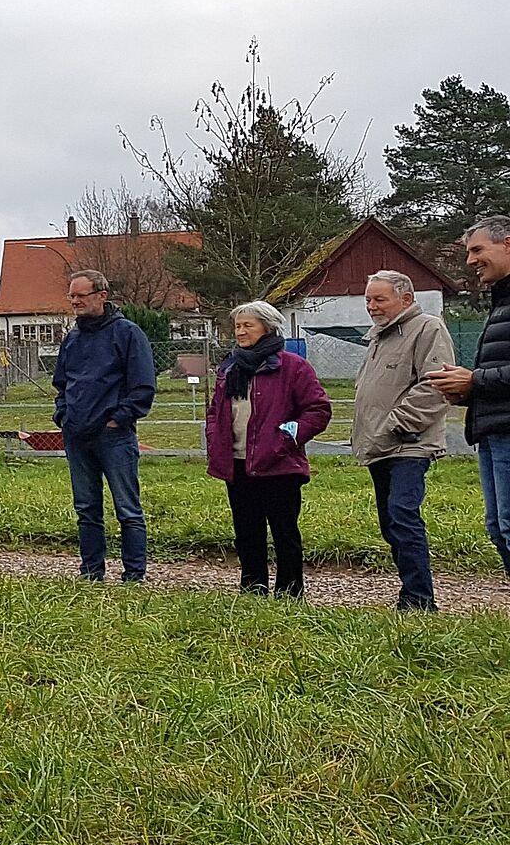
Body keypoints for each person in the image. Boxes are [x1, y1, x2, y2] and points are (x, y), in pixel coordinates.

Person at [204, 301, 332, 597]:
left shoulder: (293, 366)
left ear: (268, 327)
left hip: (279, 464)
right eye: (237, 325)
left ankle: (289, 593)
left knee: (284, 532)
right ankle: (253, 590)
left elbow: (318, 410)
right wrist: (214, 436)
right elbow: (216, 410)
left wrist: (288, 437)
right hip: (237, 463)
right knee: (247, 533)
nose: (240, 331)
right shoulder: (230, 367)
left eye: (248, 325)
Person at [353, 271, 454, 611]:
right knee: (390, 521)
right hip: (379, 445)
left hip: (409, 444)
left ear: (406, 299)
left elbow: (437, 385)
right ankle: (410, 592)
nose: (371, 306)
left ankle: (419, 599)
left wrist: (396, 425)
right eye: (368, 299)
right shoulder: (378, 337)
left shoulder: (427, 328)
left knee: (402, 514)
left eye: (379, 299)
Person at [53, 269, 156, 582]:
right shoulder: (72, 339)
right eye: (72, 296)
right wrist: (63, 416)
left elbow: (143, 386)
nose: (75, 302)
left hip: (114, 437)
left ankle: (134, 575)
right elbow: (61, 383)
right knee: (86, 508)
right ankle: (91, 572)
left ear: (101, 295)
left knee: (128, 508)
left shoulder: (127, 334)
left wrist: (118, 419)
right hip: (77, 435)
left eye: (81, 295)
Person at [429, 215, 510, 576]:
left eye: (478, 250)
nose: (470, 261)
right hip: (492, 430)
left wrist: (474, 380)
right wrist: (463, 391)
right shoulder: (500, 304)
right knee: (498, 529)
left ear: (507, 243)